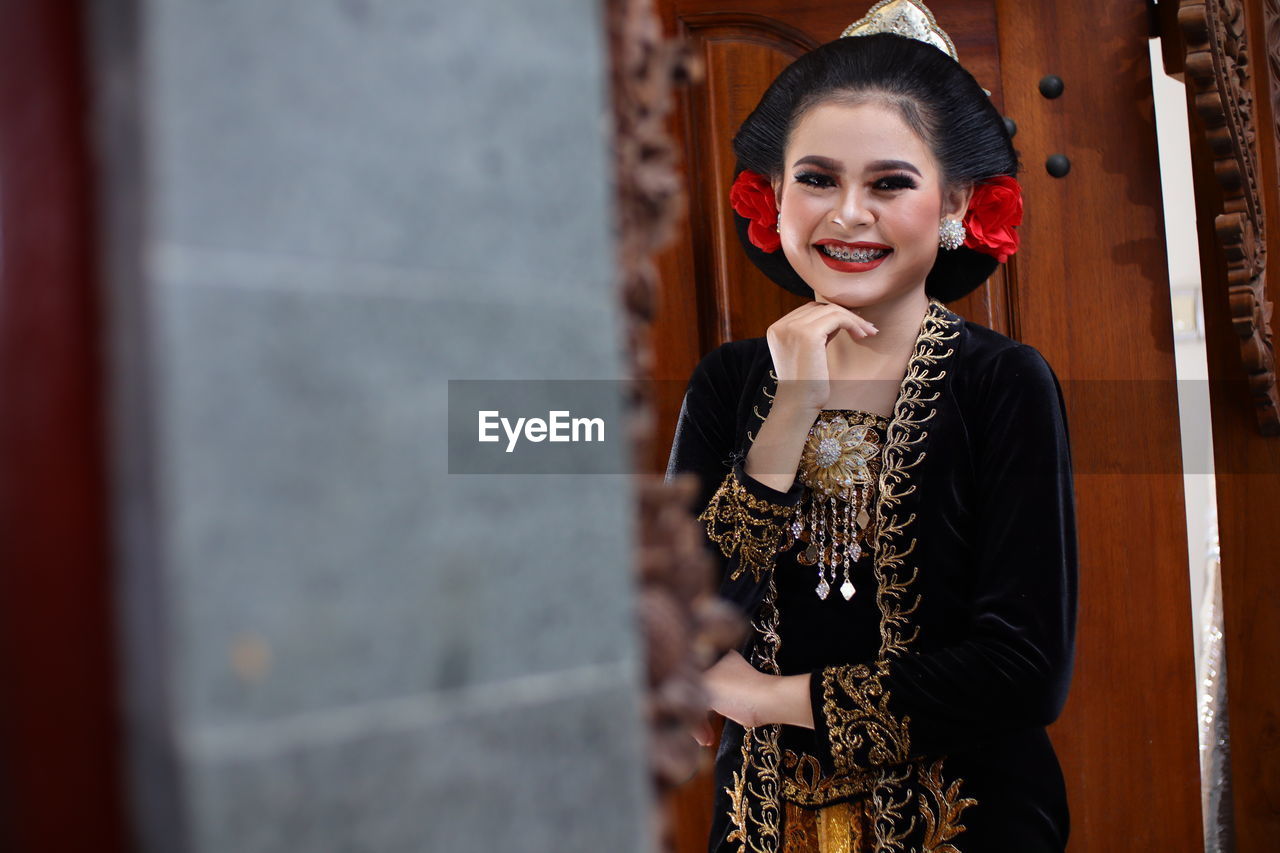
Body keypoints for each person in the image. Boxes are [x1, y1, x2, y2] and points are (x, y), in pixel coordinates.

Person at [664, 3, 1078, 851]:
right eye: (817, 179)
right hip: (760, 826)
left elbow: (1021, 675)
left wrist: (764, 696)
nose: (848, 215)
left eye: (889, 183)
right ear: (774, 197)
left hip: (970, 825)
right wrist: (787, 418)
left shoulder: (1002, 384)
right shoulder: (729, 383)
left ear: (955, 199)